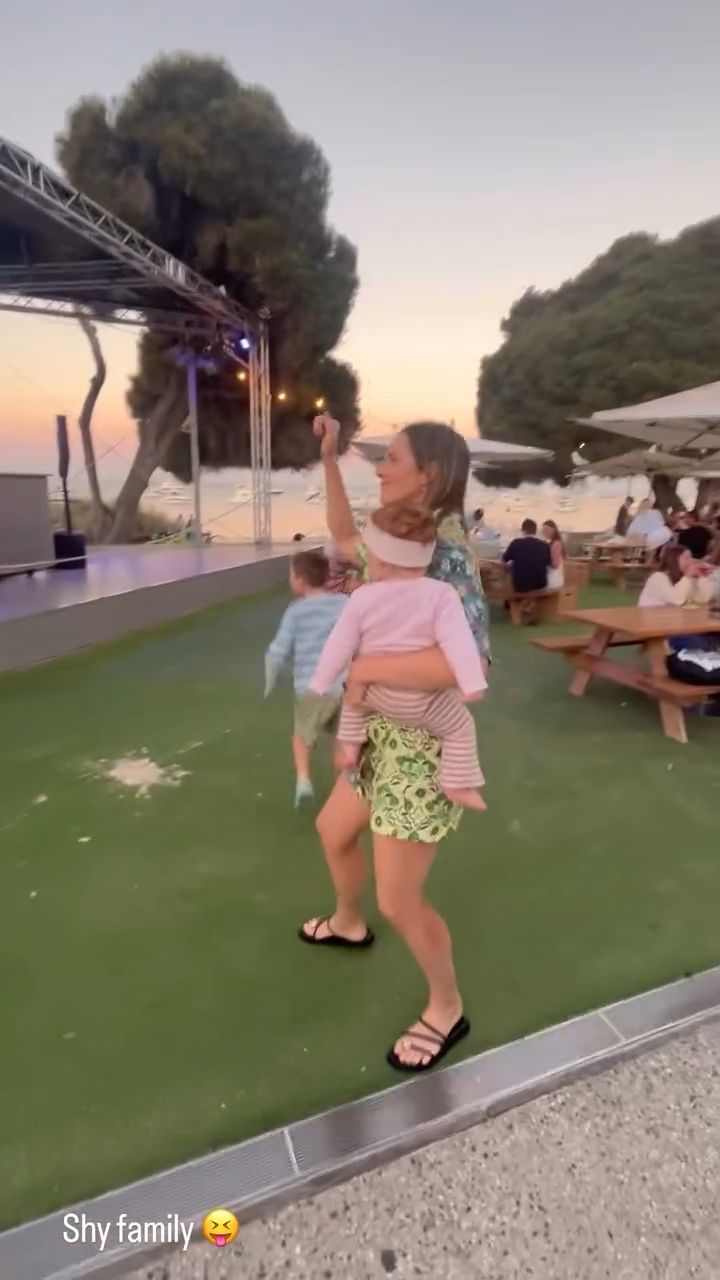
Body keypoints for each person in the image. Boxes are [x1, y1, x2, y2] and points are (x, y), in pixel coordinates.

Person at [299, 415, 490, 1074]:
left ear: (428, 475)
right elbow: (343, 536)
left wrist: (367, 670)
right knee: (333, 831)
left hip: (419, 751)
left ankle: (447, 1007)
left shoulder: (448, 556)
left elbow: (470, 665)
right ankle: (347, 923)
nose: (379, 468)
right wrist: (329, 458)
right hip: (380, 736)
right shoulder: (397, 535)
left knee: (401, 900)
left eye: (393, 460)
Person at [310, 503, 487, 811]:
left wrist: (321, 682)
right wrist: (471, 683)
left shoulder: (362, 597)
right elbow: (458, 642)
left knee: (353, 699)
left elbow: (339, 644)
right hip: (421, 701)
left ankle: (350, 746)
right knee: (461, 727)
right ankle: (457, 783)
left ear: (379, 561)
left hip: (375, 694)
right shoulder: (440, 595)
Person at [264, 550, 347, 808]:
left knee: (303, 734)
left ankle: (303, 779)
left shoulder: (296, 611)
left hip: (311, 686)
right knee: (342, 739)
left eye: (291, 575)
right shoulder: (343, 603)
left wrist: (270, 678)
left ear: (300, 580)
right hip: (344, 684)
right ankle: (341, 790)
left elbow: (278, 649)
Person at [638, 544, 713, 609]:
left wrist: (702, 577)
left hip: (671, 617)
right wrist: (688, 576)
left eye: (691, 557)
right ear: (674, 560)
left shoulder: (686, 579)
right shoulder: (658, 577)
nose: (691, 561)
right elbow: (677, 600)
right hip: (651, 616)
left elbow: (702, 599)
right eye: (686, 558)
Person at [502, 519, 551, 593]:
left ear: (523, 531)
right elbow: (549, 564)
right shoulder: (545, 545)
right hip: (541, 586)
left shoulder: (515, 543)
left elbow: (503, 561)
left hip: (521, 588)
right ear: (535, 531)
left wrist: (510, 567)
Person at [542, 520, 565, 590]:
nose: (544, 531)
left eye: (546, 529)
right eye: (543, 529)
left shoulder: (556, 544)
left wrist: (542, 563)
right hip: (555, 579)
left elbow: (555, 565)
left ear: (553, 530)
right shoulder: (552, 543)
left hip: (553, 580)